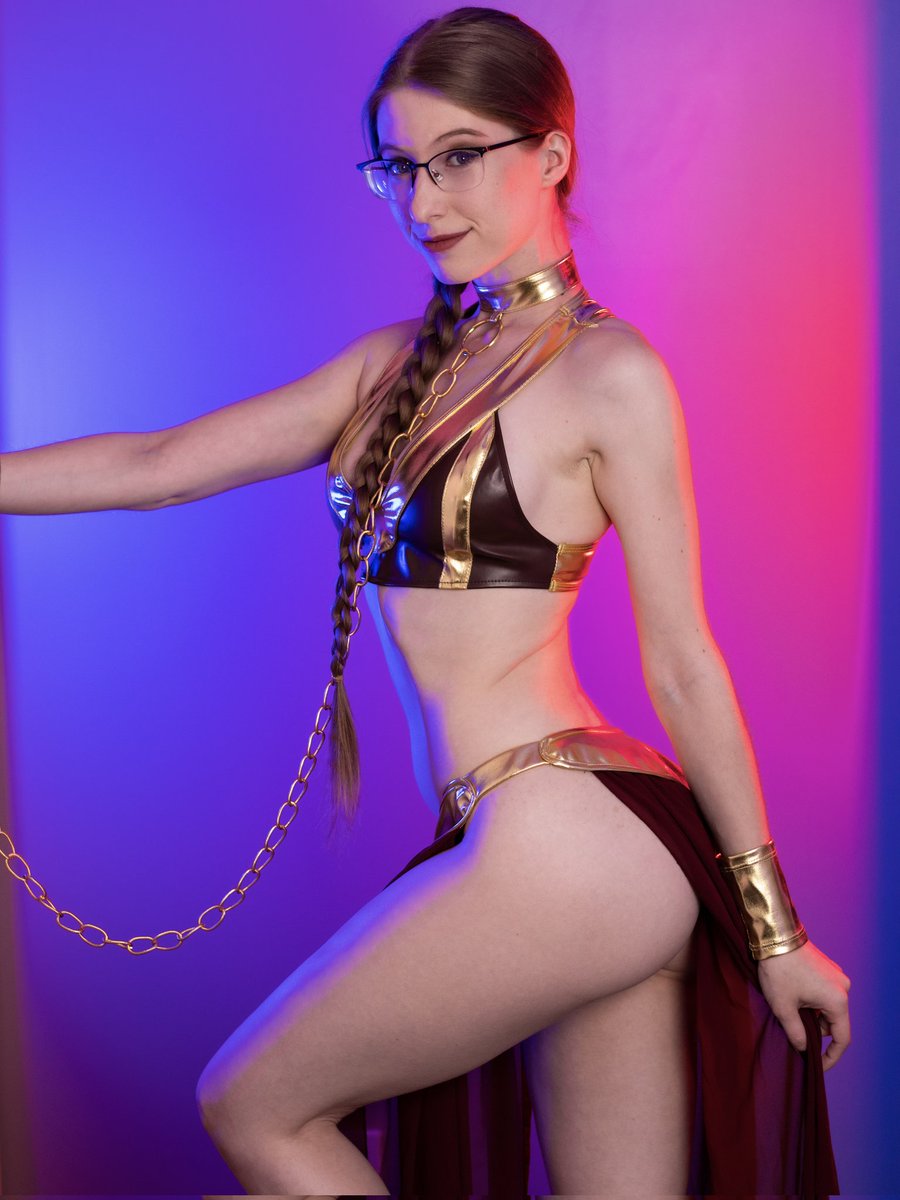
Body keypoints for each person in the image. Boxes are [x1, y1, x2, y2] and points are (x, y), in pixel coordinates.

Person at [0, 6, 849, 1196]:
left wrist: (775, 930)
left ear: (551, 154)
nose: (423, 198)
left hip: (571, 836)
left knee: (255, 1107)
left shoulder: (610, 374)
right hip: (563, 851)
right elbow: (161, 463)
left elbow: (683, 662)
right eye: (398, 167)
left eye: (458, 157)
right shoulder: (389, 367)